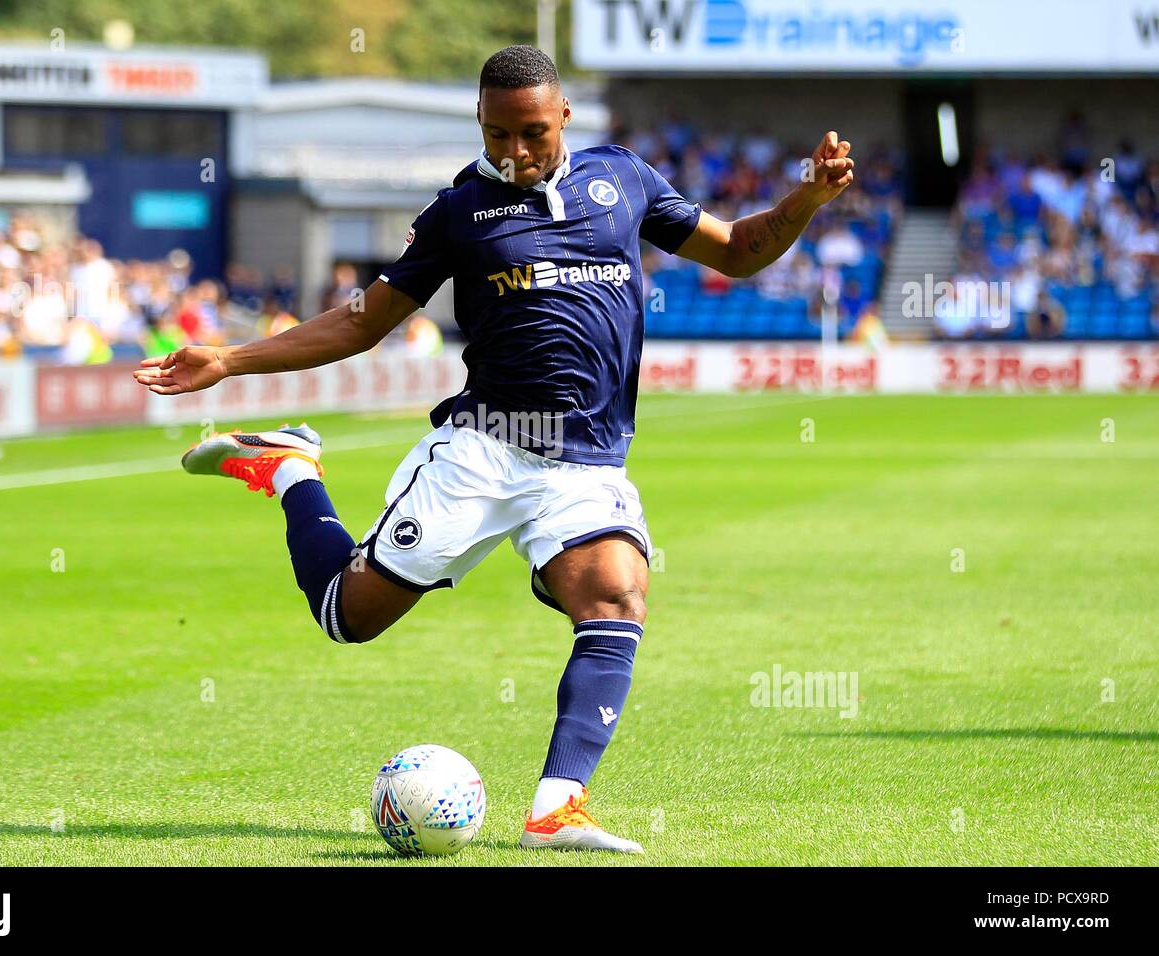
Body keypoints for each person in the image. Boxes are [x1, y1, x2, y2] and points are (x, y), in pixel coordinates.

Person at [133, 46, 854, 853]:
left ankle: (556, 807)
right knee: (346, 617)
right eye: (498, 133)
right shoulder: (459, 213)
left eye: (533, 133)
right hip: (484, 453)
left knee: (616, 595)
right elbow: (361, 322)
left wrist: (808, 197)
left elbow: (739, 250)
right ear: (480, 122)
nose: (515, 152)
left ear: (565, 118)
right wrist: (229, 359)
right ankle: (293, 467)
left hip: (585, 465)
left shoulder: (624, 181)